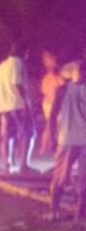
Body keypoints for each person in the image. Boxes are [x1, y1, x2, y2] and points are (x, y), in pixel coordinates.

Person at [47, 59, 86, 221]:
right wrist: (52, 136)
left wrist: (52, 136)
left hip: (67, 139)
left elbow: (52, 115)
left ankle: (56, 212)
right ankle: (77, 216)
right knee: (79, 179)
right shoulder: (62, 90)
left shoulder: (62, 90)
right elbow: (53, 115)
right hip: (73, 139)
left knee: (60, 178)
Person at [0, 42, 36, 174]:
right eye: (27, 53)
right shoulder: (18, 63)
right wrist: (26, 102)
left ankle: (6, 164)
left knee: (8, 135)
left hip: (4, 106)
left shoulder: (1, 66)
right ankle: (24, 165)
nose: (28, 56)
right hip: (18, 105)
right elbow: (17, 83)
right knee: (28, 132)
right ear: (23, 52)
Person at [40, 51, 65, 155]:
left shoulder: (46, 78)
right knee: (56, 126)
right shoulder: (58, 78)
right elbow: (62, 89)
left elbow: (43, 92)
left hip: (47, 104)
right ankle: (54, 147)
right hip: (52, 104)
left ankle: (43, 148)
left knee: (49, 126)